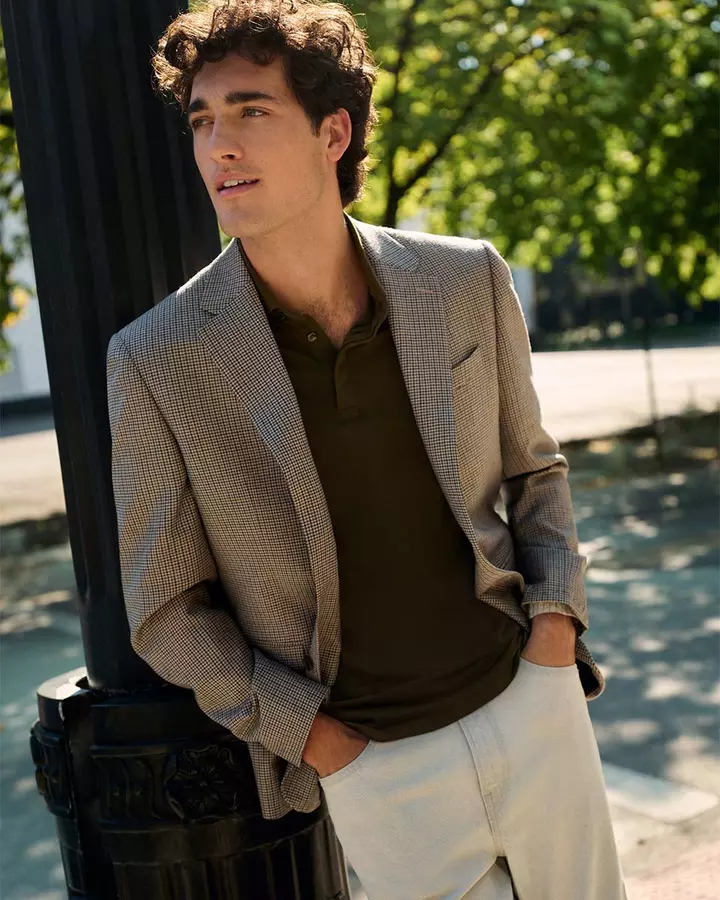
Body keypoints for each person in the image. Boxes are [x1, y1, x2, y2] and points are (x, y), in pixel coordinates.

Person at [106, 1, 627, 897]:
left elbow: (534, 470)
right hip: (377, 766)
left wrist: (553, 631)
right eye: (202, 120)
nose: (219, 146)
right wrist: (319, 742)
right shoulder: (158, 357)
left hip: (532, 704)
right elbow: (166, 611)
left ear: (333, 132)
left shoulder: (464, 277)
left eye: (251, 110)